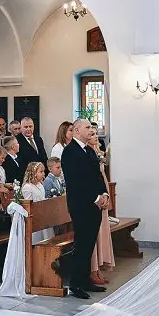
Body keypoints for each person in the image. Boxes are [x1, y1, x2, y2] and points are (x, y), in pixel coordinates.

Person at [60, 119, 109, 299]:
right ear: (77, 130)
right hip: (80, 204)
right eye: (87, 127)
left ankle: (85, 279)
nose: (91, 130)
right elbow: (76, 181)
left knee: (89, 244)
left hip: (94, 204)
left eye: (91, 127)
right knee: (81, 244)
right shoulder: (70, 152)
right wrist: (95, 198)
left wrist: (104, 194)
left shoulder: (89, 150)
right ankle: (75, 284)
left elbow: (97, 176)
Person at [89, 133, 115, 285]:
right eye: (92, 133)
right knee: (96, 233)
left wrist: (105, 194)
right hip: (94, 197)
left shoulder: (96, 152)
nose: (95, 136)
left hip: (102, 191)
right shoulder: (86, 153)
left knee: (102, 231)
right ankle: (93, 269)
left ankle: (99, 267)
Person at [21, 162, 54, 243]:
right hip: (35, 216)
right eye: (41, 171)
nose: (44, 174)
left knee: (47, 236)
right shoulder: (27, 187)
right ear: (33, 173)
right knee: (38, 239)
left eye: (43, 171)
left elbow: (42, 198)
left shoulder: (40, 185)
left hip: (43, 213)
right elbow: (29, 205)